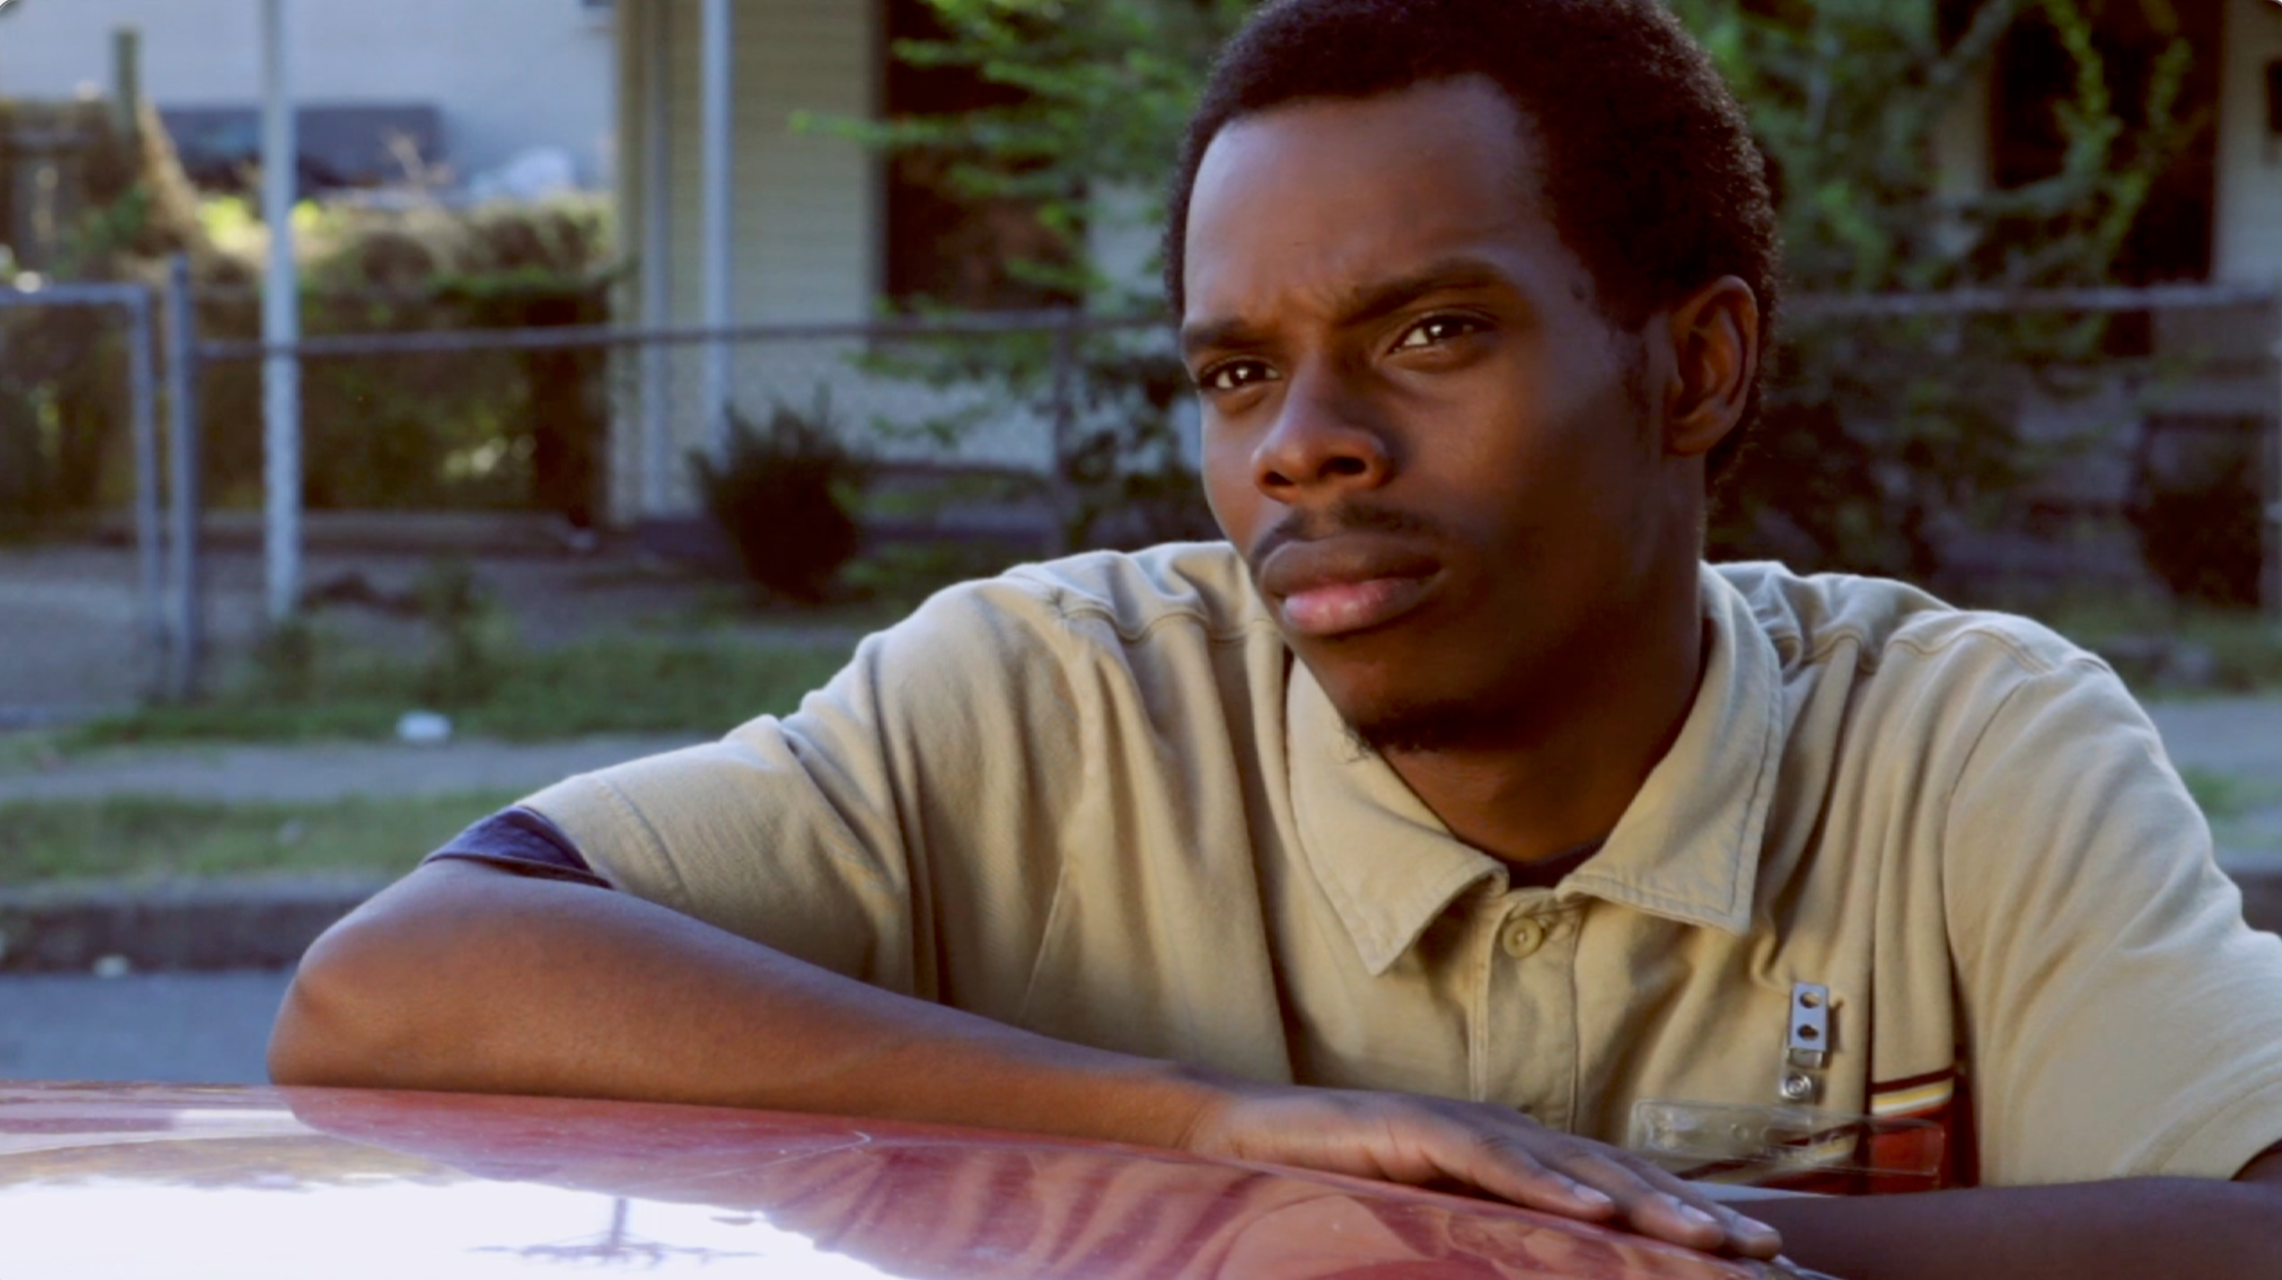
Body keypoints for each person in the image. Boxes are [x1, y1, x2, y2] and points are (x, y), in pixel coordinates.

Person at [270, 1, 2282, 1275]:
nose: (1303, 447)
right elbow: (394, 984)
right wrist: (1215, 1136)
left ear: (1693, 366)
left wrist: (1619, 1248)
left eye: (1430, 332)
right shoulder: (1050, 699)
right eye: (1236, 371)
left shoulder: (1967, 741)